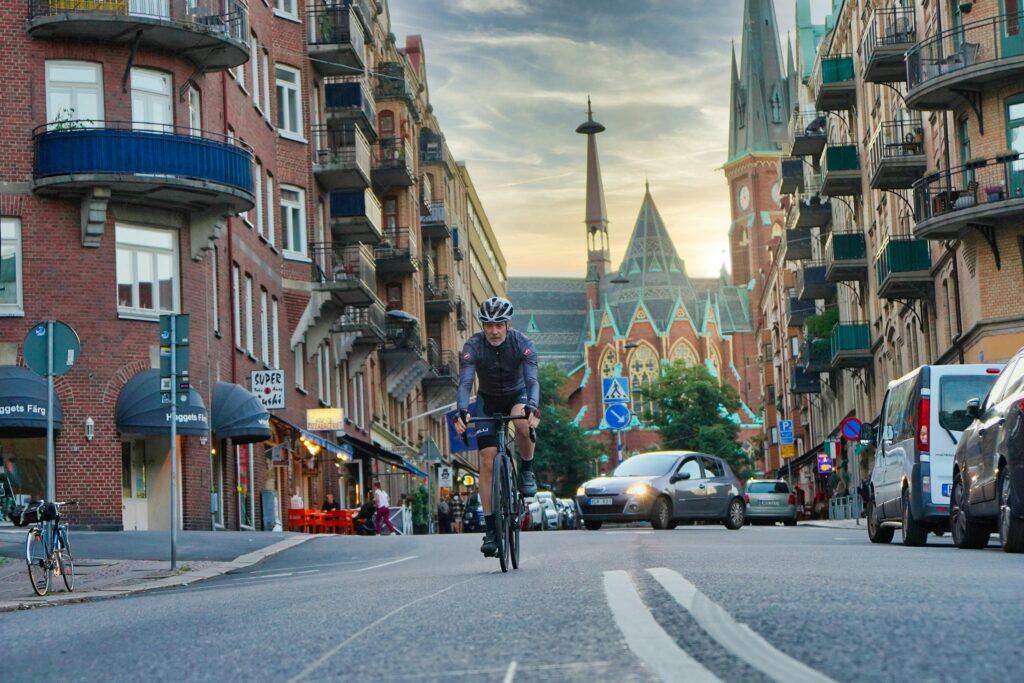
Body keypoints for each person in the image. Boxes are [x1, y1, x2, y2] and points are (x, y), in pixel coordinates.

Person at [452, 296, 541, 558]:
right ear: (482, 326)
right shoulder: (473, 346)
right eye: (488, 325)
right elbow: (465, 383)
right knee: (487, 460)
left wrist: (533, 405)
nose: (493, 331)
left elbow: (533, 380)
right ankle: (491, 529)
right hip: (487, 401)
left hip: (517, 395)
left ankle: (526, 469)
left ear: (508, 324)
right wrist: (461, 410)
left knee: (523, 421)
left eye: (499, 325)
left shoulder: (523, 344)